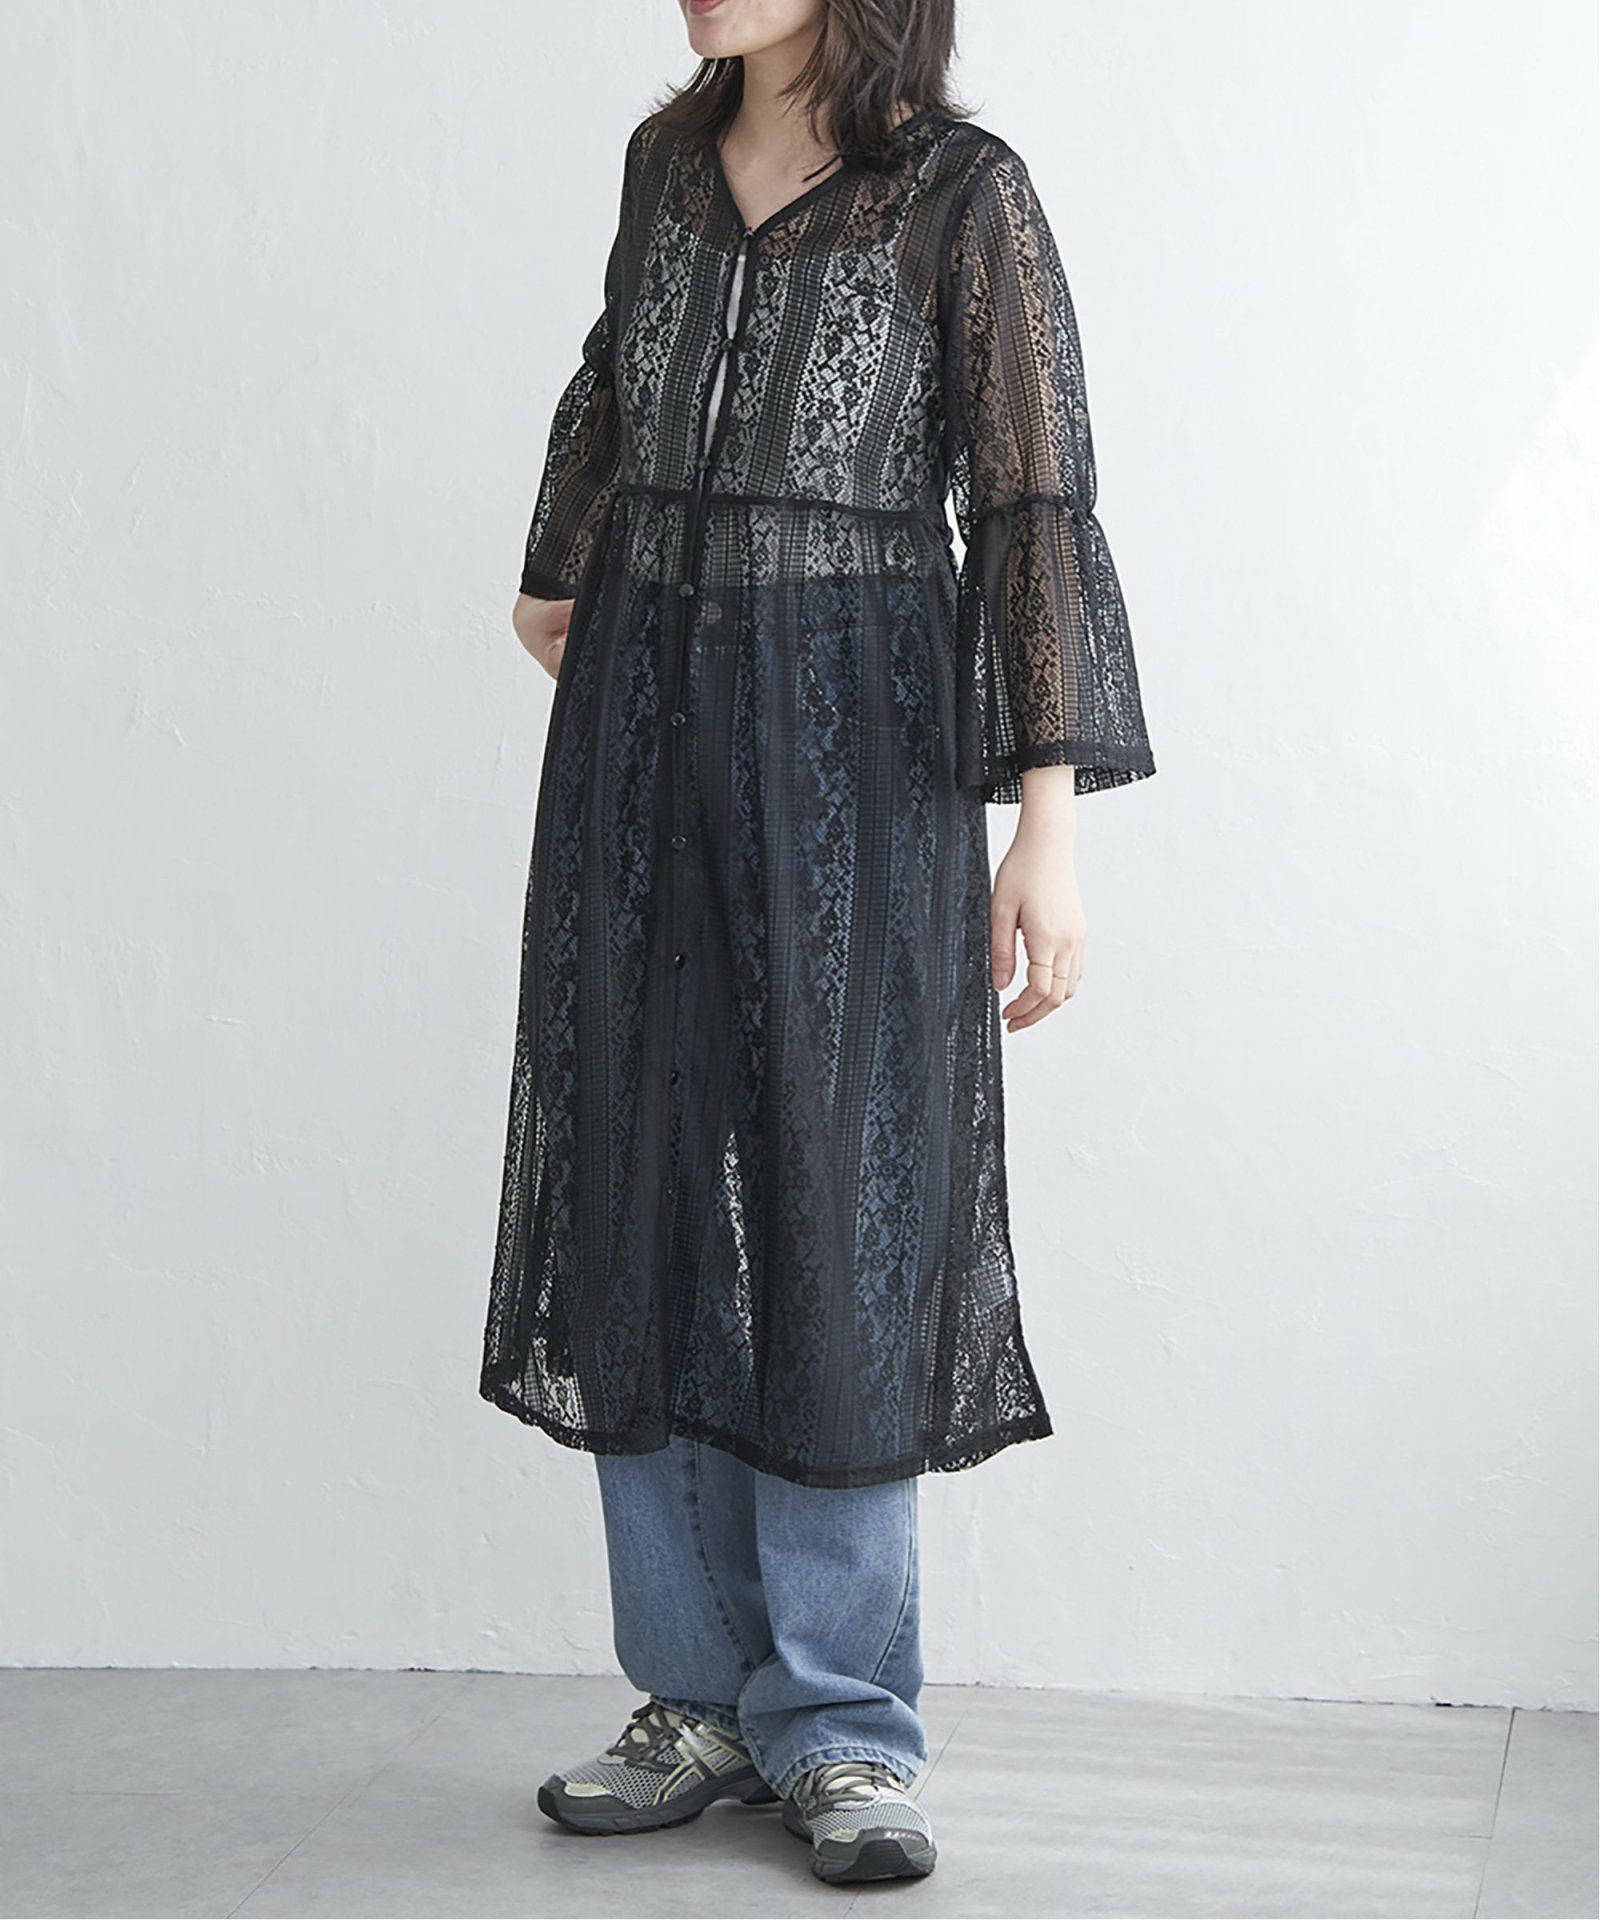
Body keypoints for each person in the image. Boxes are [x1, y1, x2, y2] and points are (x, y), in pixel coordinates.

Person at [480, 0, 1154, 1886]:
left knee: (842, 1195)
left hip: (860, 729)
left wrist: (1044, 830)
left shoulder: (959, 193)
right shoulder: (664, 162)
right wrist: (557, 569)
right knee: (638, 1181)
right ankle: (694, 1696)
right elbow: (617, 374)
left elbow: (1031, 502)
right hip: (640, 711)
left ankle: (845, 1725)